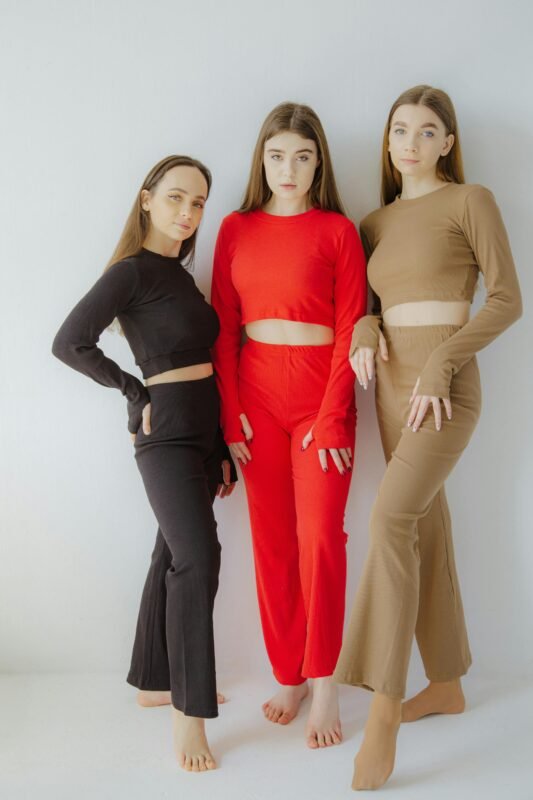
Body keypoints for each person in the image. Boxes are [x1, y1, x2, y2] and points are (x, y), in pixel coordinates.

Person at [333, 85, 522, 790]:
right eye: (399, 129)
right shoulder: (372, 222)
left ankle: (382, 713)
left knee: (390, 521)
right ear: (387, 141)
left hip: (443, 388)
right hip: (387, 385)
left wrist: (443, 363)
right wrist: (361, 328)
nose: (409, 140)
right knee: (424, 526)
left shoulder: (469, 200)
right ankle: (446, 683)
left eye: (427, 130)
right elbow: (368, 306)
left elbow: (506, 298)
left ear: (447, 142)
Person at [52, 155, 237, 773]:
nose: (189, 212)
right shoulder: (130, 273)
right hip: (164, 437)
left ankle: (155, 680)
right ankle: (190, 717)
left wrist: (221, 444)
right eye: (178, 197)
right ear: (147, 199)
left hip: (202, 433)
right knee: (197, 558)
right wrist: (134, 392)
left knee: (171, 552)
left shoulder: (182, 276)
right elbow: (69, 341)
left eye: (200, 202)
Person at [211, 102, 367, 748]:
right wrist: (230, 418)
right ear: (262, 161)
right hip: (254, 398)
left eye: (302, 157)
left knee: (319, 539)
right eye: (276, 156)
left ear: (317, 163)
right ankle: (289, 674)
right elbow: (221, 328)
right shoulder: (234, 228)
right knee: (272, 544)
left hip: (318, 401)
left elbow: (350, 325)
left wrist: (332, 416)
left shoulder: (337, 230)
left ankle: (324, 677)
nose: (288, 169)